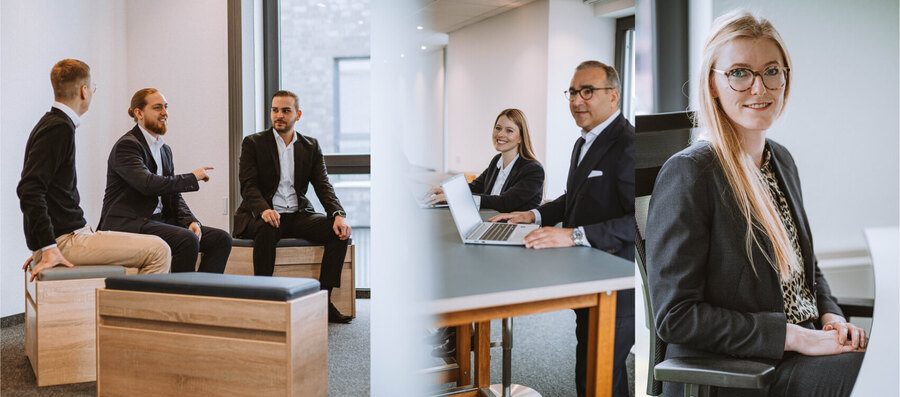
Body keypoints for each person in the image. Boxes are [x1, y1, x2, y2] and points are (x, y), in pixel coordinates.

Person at [645, 11, 866, 397]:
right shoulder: (691, 173)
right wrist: (791, 336)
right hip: (741, 372)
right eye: (739, 73)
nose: (759, 88)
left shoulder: (780, 160)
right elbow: (675, 317)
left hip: (802, 352)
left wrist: (830, 314)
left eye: (771, 71)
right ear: (712, 84)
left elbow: (804, 265)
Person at [490, 61, 635, 397]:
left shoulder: (627, 144)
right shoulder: (584, 141)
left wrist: (573, 235)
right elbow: (575, 197)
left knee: (597, 376)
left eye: (588, 91)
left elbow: (637, 219)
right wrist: (534, 215)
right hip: (588, 274)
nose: (577, 100)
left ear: (613, 96)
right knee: (597, 371)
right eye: (572, 92)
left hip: (617, 280)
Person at [17, 59, 171, 281]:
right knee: (159, 250)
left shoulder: (51, 123)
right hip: (67, 240)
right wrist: (46, 246)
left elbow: (39, 188)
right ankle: (132, 316)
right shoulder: (58, 128)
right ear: (84, 91)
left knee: (153, 248)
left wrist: (41, 242)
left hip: (73, 233)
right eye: (93, 88)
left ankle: (122, 310)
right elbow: (30, 189)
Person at [233, 90, 353, 324]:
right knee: (267, 229)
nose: (279, 115)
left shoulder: (310, 146)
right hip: (264, 215)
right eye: (275, 110)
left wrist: (339, 214)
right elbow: (248, 185)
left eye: (285, 111)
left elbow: (323, 185)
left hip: (297, 215)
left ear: (297, 115)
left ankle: (324, 300)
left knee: (338, 232)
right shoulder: (253, 143)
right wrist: (264, 209)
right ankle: (266, 301)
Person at [97, 88, 232, 274]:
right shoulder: (127, 146)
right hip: (129, 222)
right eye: (158, 107)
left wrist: (191, 221)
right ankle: (179, 297)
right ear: (139, 113)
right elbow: (148, 184)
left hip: (157, 221)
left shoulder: (164, 149)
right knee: (187, 240)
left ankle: (204, 294)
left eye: (166, 107)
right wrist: (192, 178)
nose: (165, 113)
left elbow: (172, 193)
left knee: (221, 239)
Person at [423, 108, 544, 213]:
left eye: (509, 130)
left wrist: (455, 196)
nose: (500, 134)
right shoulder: (497, 161)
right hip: (491, 223)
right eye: (498, 128)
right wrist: (446, 190)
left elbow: (505, 202)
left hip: (517, 232)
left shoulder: (533, 170)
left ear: (521, 138)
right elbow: (475, 186)